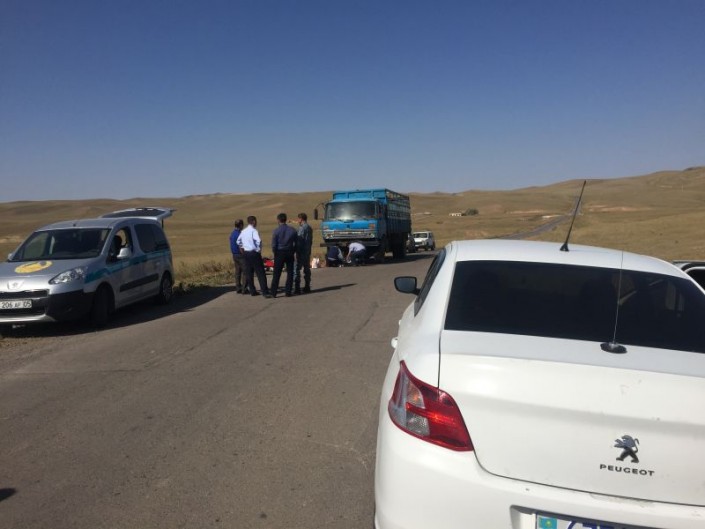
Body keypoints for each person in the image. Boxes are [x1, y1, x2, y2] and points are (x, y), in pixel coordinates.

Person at [236, 216, 272, 298]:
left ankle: (252, 291)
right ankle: (265, 292)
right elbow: (259, 240)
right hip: (254, 253)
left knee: (249, 273)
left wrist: (242, 248)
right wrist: (258, 250)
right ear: (254, 221)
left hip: (246, 253)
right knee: (260, 273)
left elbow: (238, 241)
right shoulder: (254, 230)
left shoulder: (243, 231)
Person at [269, 213, 298, 298]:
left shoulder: (276, 231)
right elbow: (296, 242)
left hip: (279, 252)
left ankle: (273, 292)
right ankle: (288, 292)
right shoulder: (292, 230)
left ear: (278, 220)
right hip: (289, 251)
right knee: (290, 272)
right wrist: (293, 250)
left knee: (276, 273)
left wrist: (275, 252)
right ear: (285, 219)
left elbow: (274, 244)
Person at [293, 212, 313, 294]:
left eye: (298, 219)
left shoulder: (302, 228)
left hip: (301, 252)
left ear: (301, 219)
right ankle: (307, 286)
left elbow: (299, 241)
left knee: (296, 270)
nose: (298, 221)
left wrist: (296, 251)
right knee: (306, 269)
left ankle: (297, 288)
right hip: (307, 251)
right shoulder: (309, 228)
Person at [229, 219, 246, 293]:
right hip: (240, 254)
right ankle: (244, 288)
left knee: (238, 272)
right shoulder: (240, 234)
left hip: (234, 255)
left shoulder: (232, 233)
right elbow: (241, 245)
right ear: (241, 225)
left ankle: (238, 287)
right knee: (245, 271)